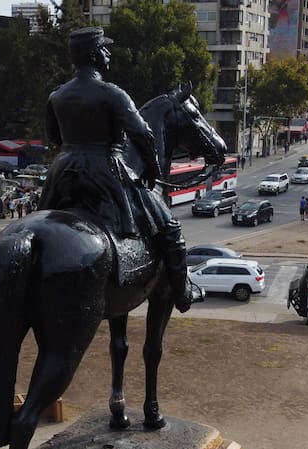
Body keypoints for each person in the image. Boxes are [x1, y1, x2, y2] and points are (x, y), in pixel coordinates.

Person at [38, 26, 193, 312]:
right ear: (94, 54)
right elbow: (144, 135)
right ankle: (183, 291)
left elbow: (55, 139)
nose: (109, 53)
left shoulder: (56, 96)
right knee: (170, 228)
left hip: (62, 173)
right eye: (105, 49)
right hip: (105, 170)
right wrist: (152, 169)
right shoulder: (112, 94)